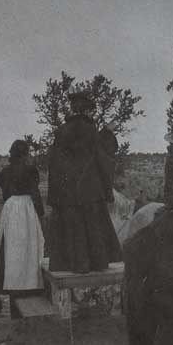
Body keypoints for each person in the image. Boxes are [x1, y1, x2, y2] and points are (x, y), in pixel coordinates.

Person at [47, 87, 122, 273]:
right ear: (87, 110)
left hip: (67, 192)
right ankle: (95, 264)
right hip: (90, 190)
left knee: (72, 229)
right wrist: (107, 133)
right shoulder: (90, 130)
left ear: (72, 109)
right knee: (92, 227)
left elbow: (54, 162)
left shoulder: (61, 131)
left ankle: (72, 265)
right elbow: (102, 155)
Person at [0, 140, 46, 318]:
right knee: (30, 248)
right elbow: (35, 193)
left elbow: (6, 193)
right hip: (27, 209)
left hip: (11, 209)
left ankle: (14, 288)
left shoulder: (4, 173)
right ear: (26, 153)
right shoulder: (30, 171)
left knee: (12, 250)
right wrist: (40, 213)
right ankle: (29, 286)